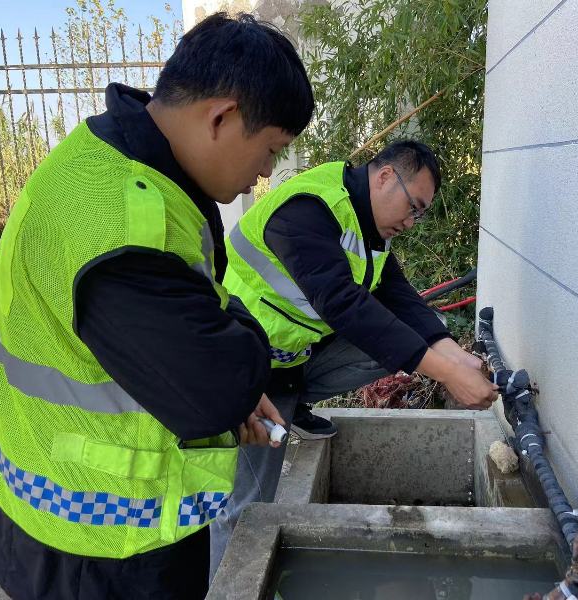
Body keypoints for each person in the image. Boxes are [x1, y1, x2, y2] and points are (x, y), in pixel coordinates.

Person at [0, 13, 313, 600]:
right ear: (222, 117)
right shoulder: (123, 220)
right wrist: (236, 367)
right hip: (101, 549)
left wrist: (222, 359)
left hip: (47, 513)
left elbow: (194, 332)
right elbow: (215, 389)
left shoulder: (106, 164)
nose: (265, 172)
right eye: (270, 149)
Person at [210, 140, 498, 576]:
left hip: (290, 363)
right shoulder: (307, 210)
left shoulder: (369, 226)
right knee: (247, 506)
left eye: (420, 214)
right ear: (385, 177)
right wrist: (446, 374)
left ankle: (296, 406)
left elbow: (398, 296)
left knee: (398, 342)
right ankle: (222, 583)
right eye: (413, 207)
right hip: (242, 372)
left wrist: (458, 358)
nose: (412, 222)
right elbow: (343, 304)